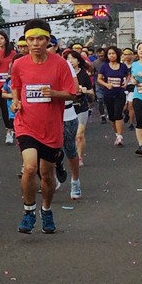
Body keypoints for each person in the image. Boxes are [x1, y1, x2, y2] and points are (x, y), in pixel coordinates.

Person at [10, 19, 77, 235]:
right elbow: (16, 86)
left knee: (46, 176)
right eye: (31, 39)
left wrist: (55, 93)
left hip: (51, 128)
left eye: (40, 38)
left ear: (48, 40)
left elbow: (72, 92)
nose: (35, 43)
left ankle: (46, 210)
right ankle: (28, 211)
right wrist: (15, 101)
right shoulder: (19, 64)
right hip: (26, 124)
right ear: (25, 41)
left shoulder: (60, 64)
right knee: (29, 168)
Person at [65, 49, 93, 196]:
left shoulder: (83, 75)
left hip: (81, 106)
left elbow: (91, 91)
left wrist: (84, 90)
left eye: (73, 58)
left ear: (78, 60)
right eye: (68, 58)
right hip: (66, 108)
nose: (70, 60)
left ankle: (79, 156)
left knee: (79, 135)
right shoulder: (62, 72)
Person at [96, 46, 130, 146]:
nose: (112, 55)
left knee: (118, 114)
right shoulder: (104, 66)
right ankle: (116, 133)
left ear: (117, 54)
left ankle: (120, 136)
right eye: (109, 54)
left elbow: (128, 75)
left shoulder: (122, 66)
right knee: (112, 117)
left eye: (113, 53)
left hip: (119, 93)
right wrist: (106, 84)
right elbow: (99, 79)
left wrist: (126, 83)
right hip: (108, 94)